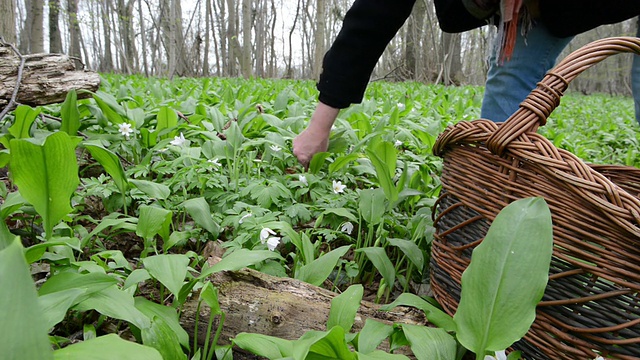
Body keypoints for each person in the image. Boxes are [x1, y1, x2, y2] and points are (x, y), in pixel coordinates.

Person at [292, 0, 640, 168]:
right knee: (506, 101)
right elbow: (373, 17)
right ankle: (491, 209)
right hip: (529, 10)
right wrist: (318, 125)